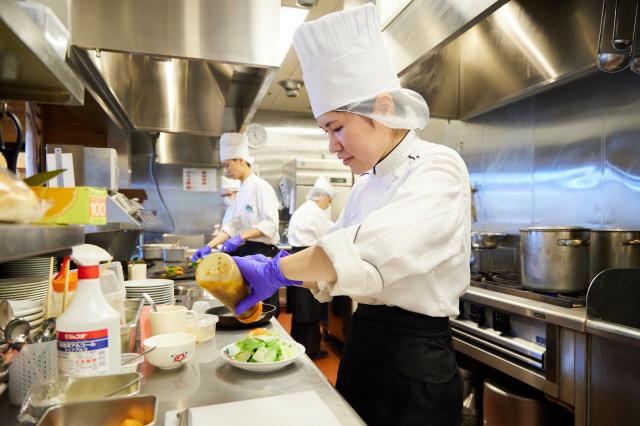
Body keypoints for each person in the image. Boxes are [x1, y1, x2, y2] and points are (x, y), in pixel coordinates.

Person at [228, 5, 471, 426]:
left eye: (337, 127)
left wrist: (273, 270)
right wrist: (274, 270)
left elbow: (373, 248)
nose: (332, 146)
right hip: (363, 349)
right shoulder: (363, 185)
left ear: (380, 108)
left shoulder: (438, 166)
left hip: (414, 363)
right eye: (326, 132)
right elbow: (328, 263)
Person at [192, 132, 281, 314]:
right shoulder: (242, 191)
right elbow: (231, 225)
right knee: (250, 303)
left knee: (264, 305)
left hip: (261, 253)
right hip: (246, 251)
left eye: (228, 164)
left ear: (241, 160)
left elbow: (270, 224)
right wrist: (208, 247)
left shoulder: (260, 187)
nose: (226, 170)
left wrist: (241, 236)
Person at [286, 176, 336, 359]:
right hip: (309, 261)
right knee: (309, 308)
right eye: (328, 202)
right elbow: (331, 234)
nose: (327, 206)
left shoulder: (304, 209)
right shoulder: (314, 212)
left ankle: (298, 346)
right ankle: (309, 351)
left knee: (302, 308)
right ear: (322, 197)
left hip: (300, 258)